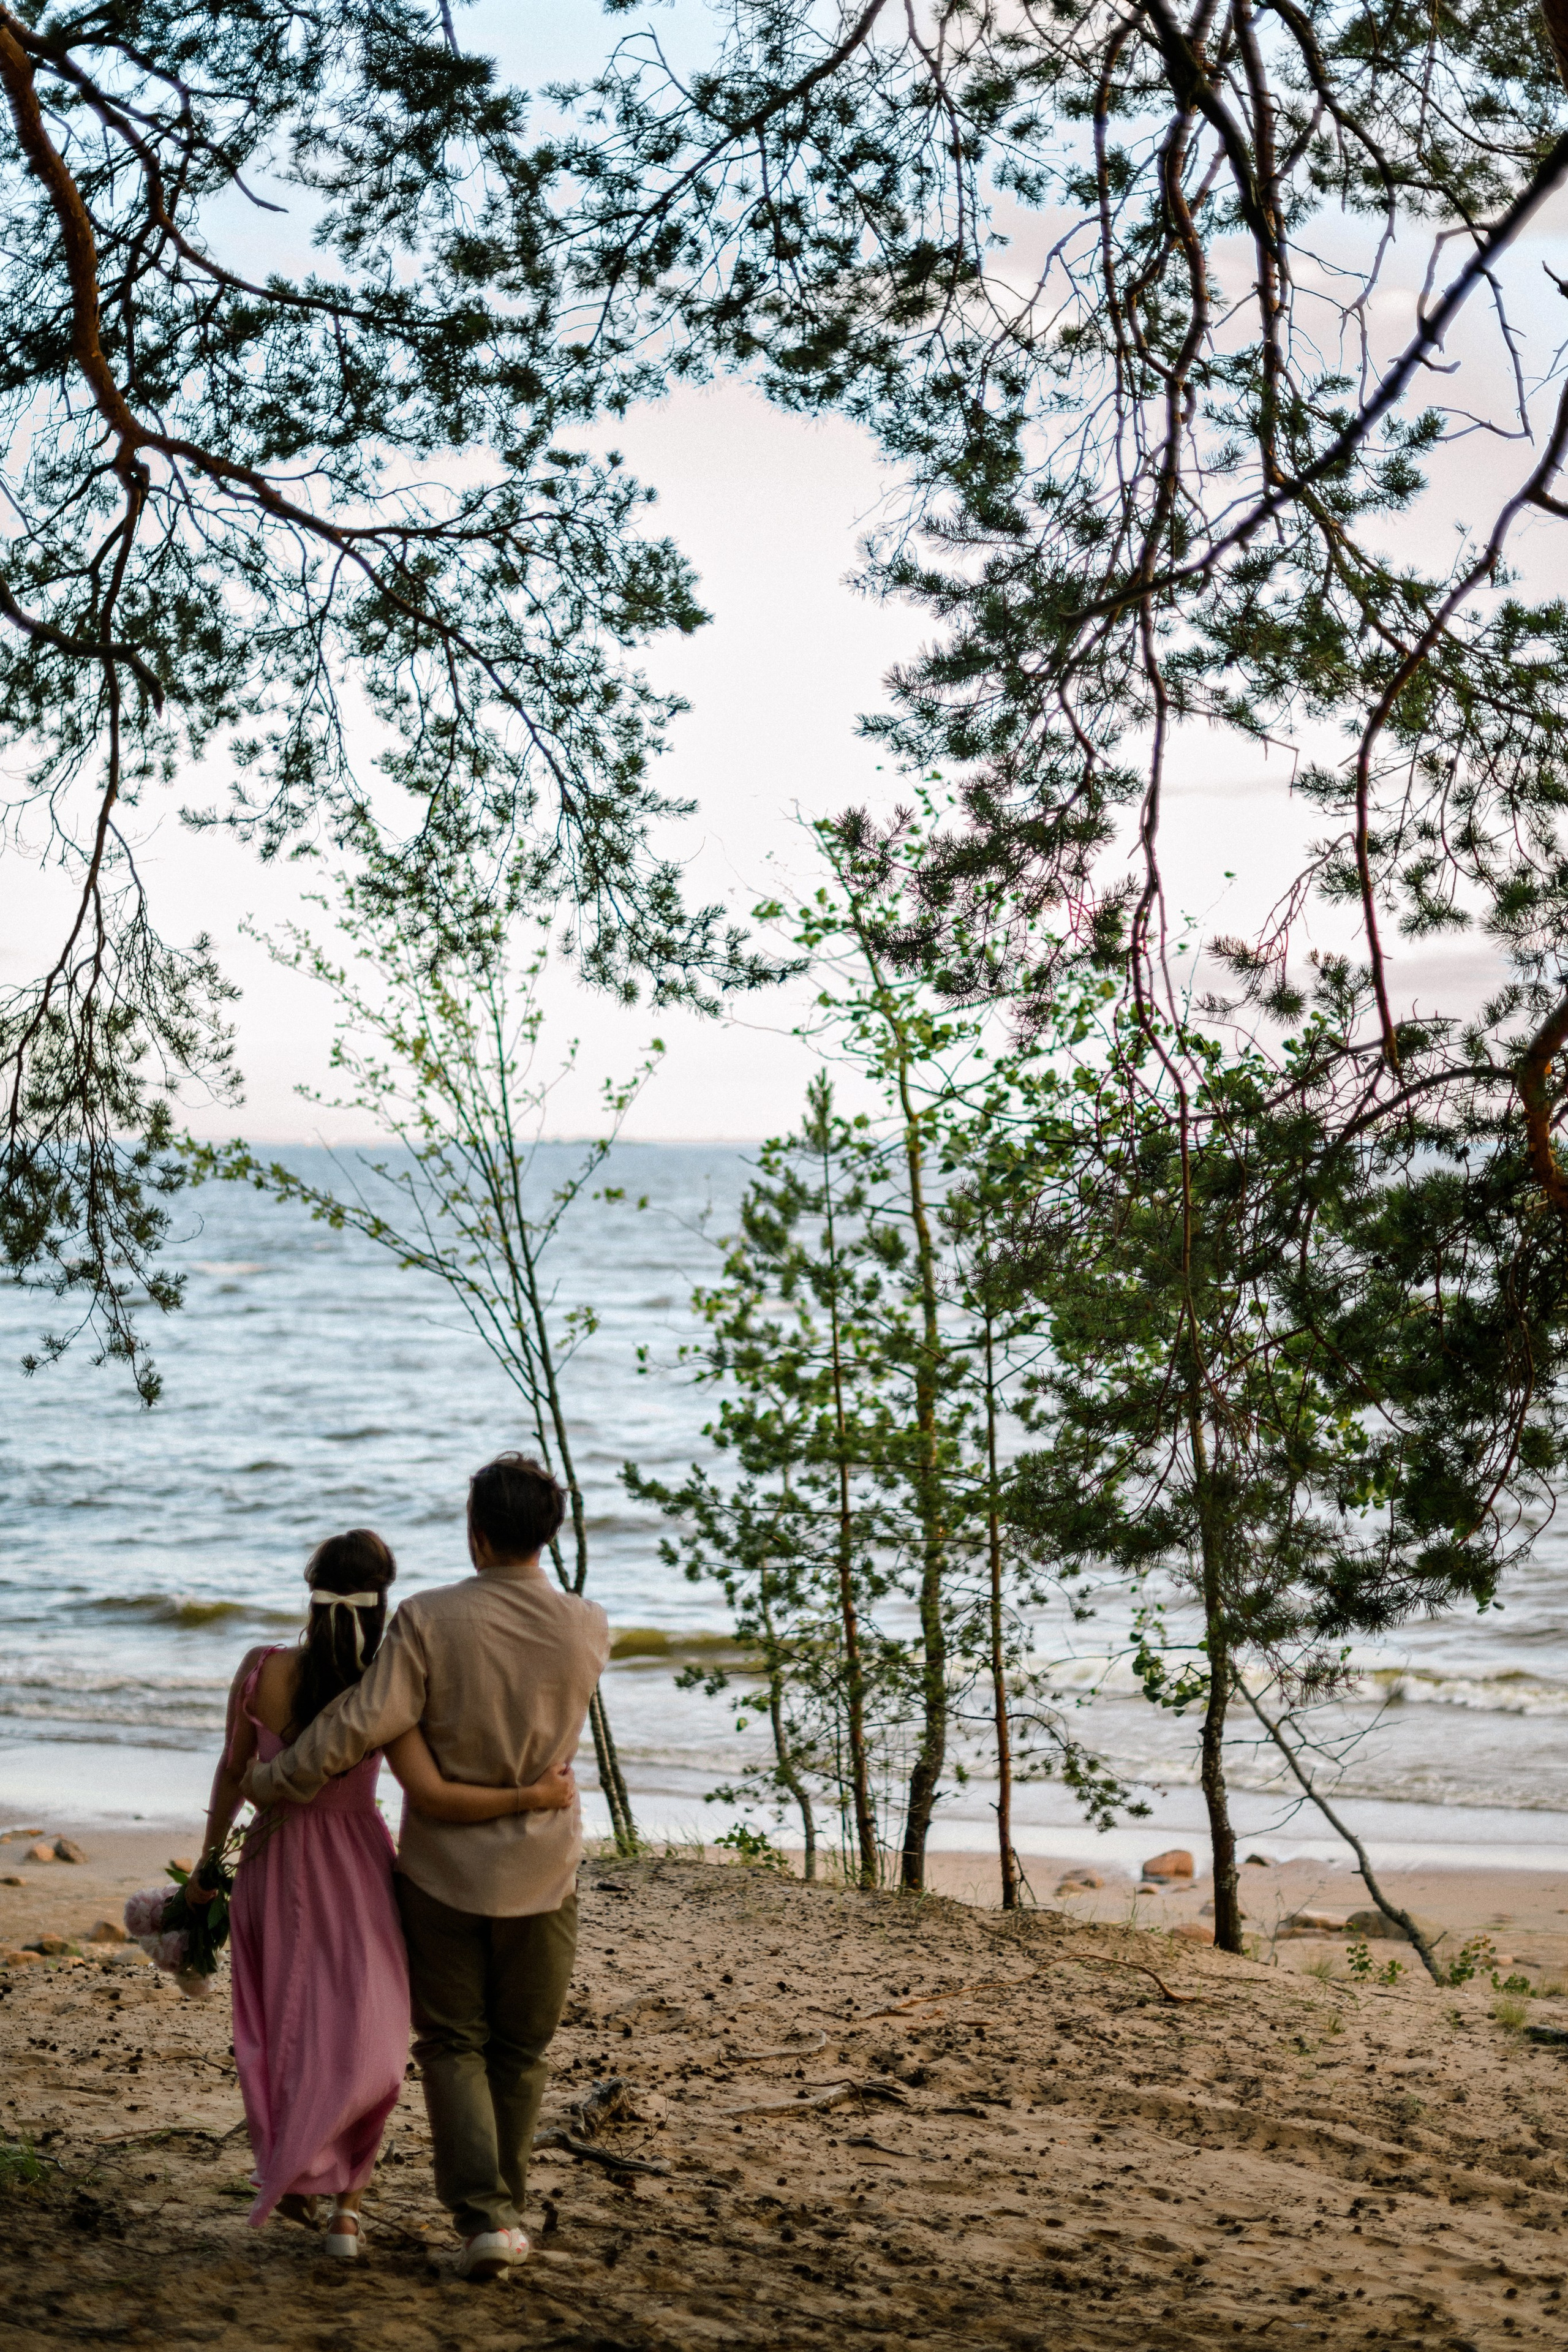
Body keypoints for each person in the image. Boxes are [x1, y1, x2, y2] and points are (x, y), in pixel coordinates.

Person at [244, 1456, 611, 2282]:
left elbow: (360, 1723)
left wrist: (276, 1779)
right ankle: (498, 2216)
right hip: (545, 1873)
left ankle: (485, 2216)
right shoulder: (590, 1626)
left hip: (442, 1877)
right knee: (523, 2048)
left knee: (455, 2042)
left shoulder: (427, 1619)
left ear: (475, 1532)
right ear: (547, 1534)